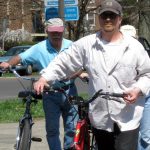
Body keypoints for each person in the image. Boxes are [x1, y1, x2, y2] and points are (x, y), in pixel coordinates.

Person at [33, 0, 150, 150]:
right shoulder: (87, 44)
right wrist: (44, 78)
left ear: (119, 19)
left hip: (127, 116)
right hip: (100, 117)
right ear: (99, 18)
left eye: (112, 16)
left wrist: (138, 89)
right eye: (104, 16)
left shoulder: (134, 47)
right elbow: (64, 62)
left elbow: (147, 74)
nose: (108, 19)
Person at [0, 18, 80, 150]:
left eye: (59, 31)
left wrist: (81, 72)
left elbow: (83, 63)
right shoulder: (39, 48)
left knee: (72, 129)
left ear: (63, 31)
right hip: (50, 93)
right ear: (46, 31)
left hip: (70, 91)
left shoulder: (72, 45)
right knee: (52, 130)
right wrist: (8, 64)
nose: (56, 34)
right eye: (53, 31)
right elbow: (21, 57)